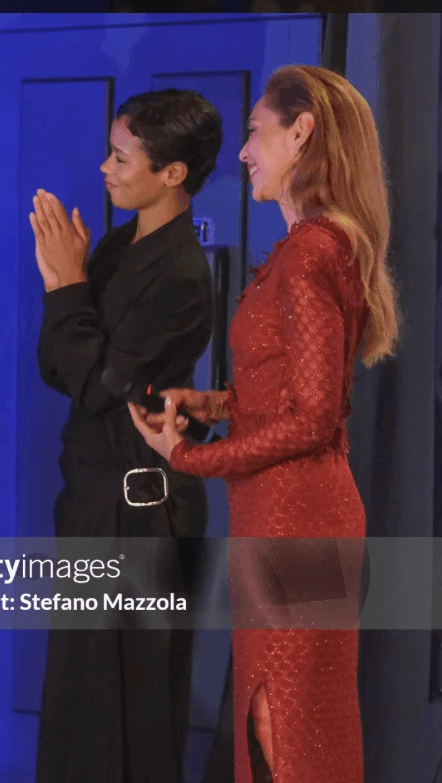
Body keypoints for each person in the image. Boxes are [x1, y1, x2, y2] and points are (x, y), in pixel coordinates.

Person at [129, 65, 398, 783]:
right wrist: (209, 402)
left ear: (300, 132)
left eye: (255, 131)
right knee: (278, 723)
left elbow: (312, 420)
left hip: (295, 523)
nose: (245, 151)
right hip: (286, 518)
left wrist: (187, 455)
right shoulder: (319, 245)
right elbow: (295, 393)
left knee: (282, 729)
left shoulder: (311, 252)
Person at [30, 88, 222, 783]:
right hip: (90, 499)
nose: (105, 168)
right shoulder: (114, 244)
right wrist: (67, 283)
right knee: (82, 697)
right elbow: (58, 364)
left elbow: (99, 385)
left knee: (133, 703)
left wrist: (65, 287)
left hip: (143, 513)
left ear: (172, 172)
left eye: (120, 156)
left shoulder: (181, 277)